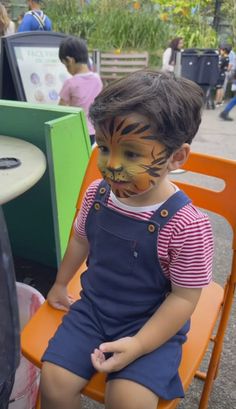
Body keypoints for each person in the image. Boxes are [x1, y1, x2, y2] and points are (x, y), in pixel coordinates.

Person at [40, 70, 214, 409]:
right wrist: (61, 284)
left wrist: (138, 345)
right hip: (93, 308)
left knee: (128, 401)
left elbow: (183, 299)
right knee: (54, 382)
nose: (111, 166)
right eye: (104, 148)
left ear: (177, 157)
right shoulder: (97, 194)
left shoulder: (187, 226)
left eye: (131, 154)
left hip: (151, 324)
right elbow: (79, 240)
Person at [58, 36, 103, 145]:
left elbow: (60, 109)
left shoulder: (70, 83)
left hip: (76, 130)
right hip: (94, 130)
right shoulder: (97, 79)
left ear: (70, 60)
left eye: (65, 65)